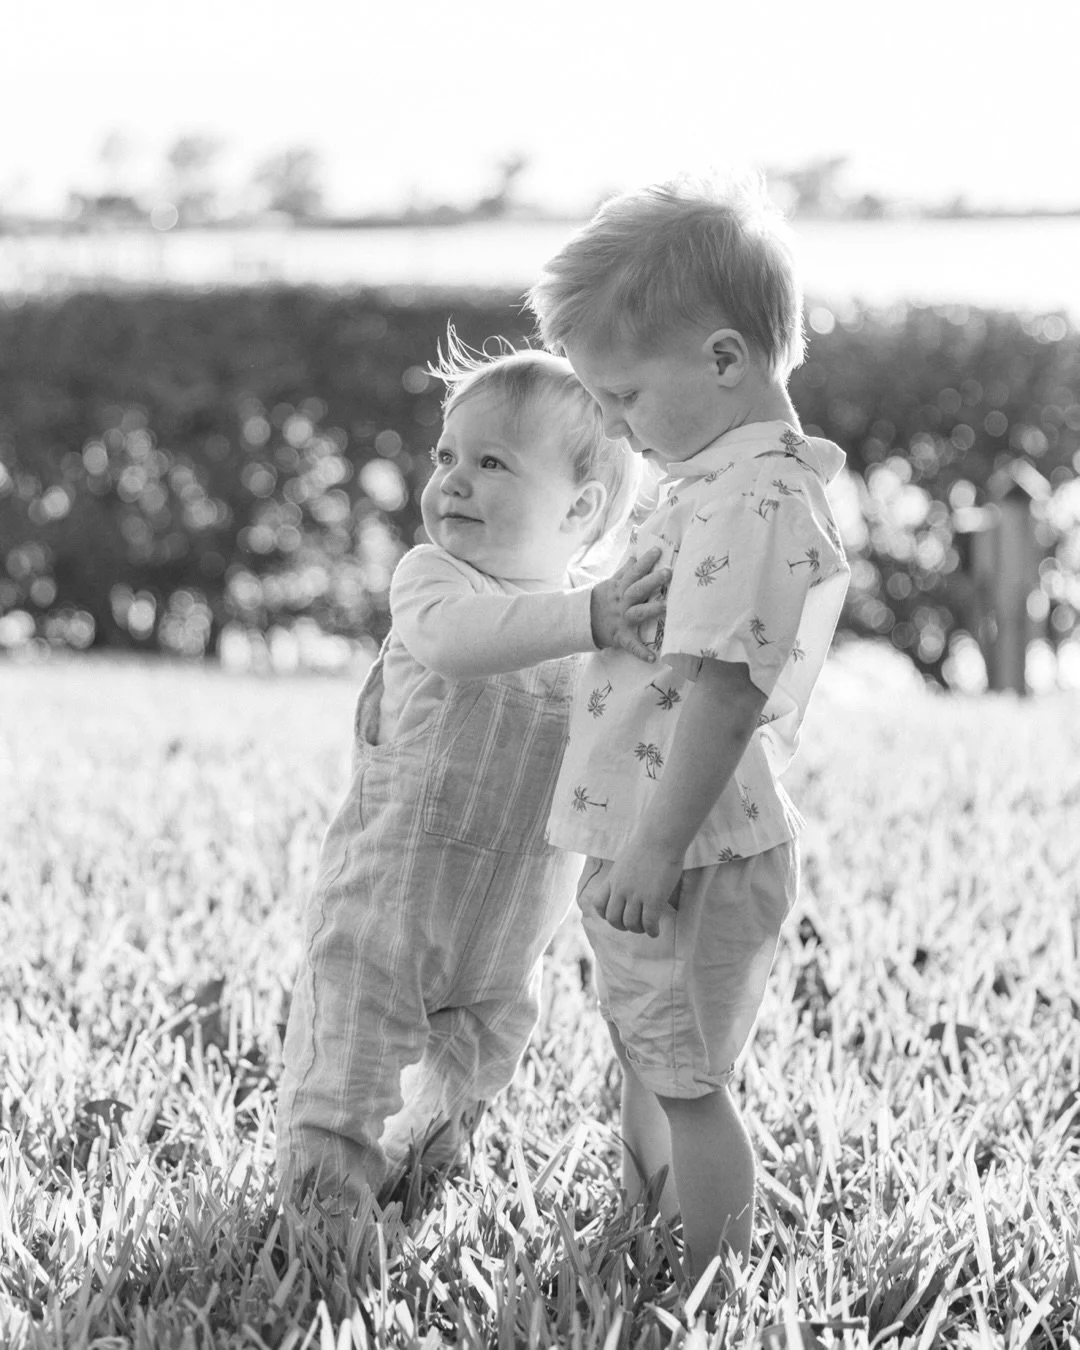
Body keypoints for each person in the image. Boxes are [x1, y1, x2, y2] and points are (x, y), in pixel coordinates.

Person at [526, 175, 851, 1278]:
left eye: (621, 399)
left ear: (722, 360)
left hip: (690, 844)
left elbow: (726, 689)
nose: (615, 428)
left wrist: (656, 847)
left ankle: (706, 1269)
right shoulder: (722, 480)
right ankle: (644, 1225)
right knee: (646, 1047)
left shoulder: (755, 498)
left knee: (687, 1077)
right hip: (658, 836)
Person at [276, 339, 669, 1214]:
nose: (452, 480)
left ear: (582, 508)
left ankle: (420, 1172)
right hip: (392, 896)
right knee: (352, 1053)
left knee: (476, 1062)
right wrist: (590, 618)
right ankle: (325, 1207)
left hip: (514, 921)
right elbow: (461, 646)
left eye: (492, 462)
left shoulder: (597, 621)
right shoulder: (435, 580)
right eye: (446, 456)